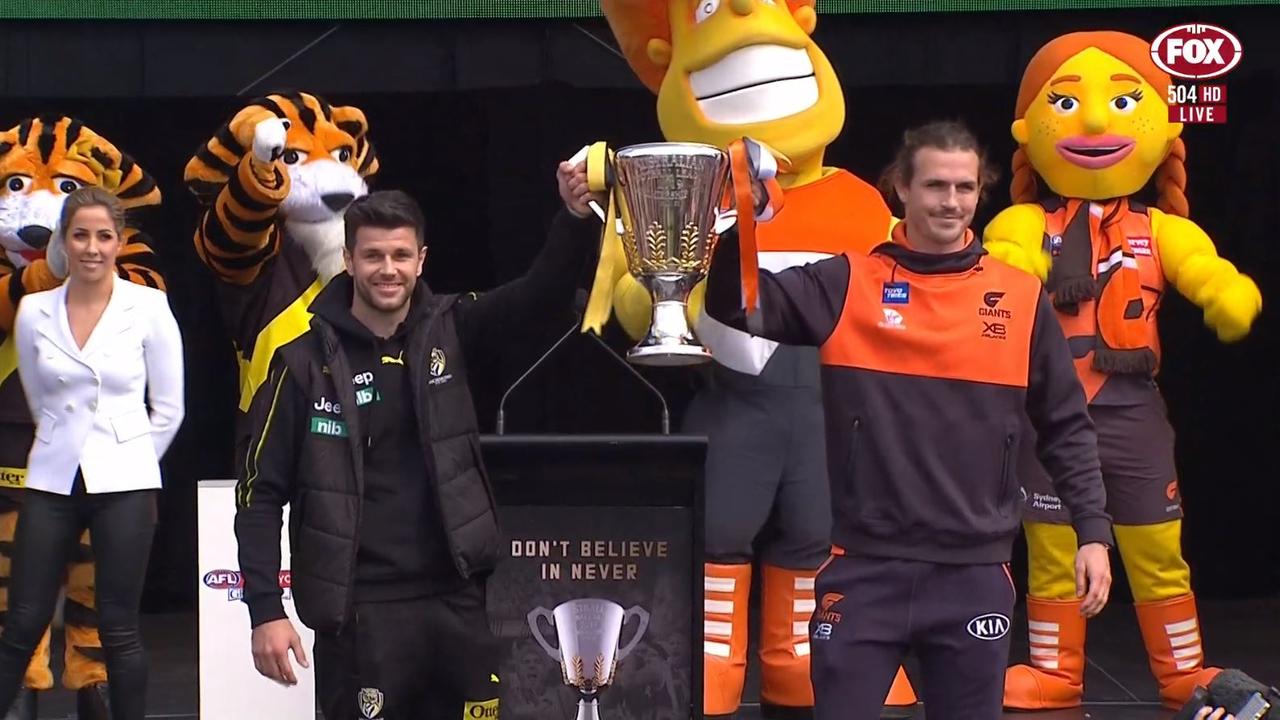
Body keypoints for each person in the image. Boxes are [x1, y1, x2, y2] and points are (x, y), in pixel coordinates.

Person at [704, 121, 1113, 719]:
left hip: (974, 573)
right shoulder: (846, 282)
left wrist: (1094, 532)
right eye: (935, 186)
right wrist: (742, 214)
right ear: (901, 188)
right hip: (865, 571)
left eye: (965, 187)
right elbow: (734, 304)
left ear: (981, 192)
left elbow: (1066, 427)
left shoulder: (1021, 297)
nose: (951, 201)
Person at [233, 163, 603, 718]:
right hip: (360, 615)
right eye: (374, 256)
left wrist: (573, 217)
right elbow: (259, 495)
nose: (388, 269)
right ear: (349, 260)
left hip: (458, 604)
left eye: (401, 256)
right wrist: (265, 609)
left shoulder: (455, 329)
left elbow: (540, 295)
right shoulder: (303, 364)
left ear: (420, 260)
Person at [982, 31, 1262, 711]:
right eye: (1070, 103)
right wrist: (1013, 266)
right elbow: (1002, 257)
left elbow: (1207, 273)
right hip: (1046, 407)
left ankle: (1182, 670)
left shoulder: (1163, 229)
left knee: (1155, 547)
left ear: (1162, 127)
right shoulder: (1026, 219)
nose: (1098, 122)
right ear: (1031, 130)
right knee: (1051, 548)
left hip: (1132, 409)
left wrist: (1228, 296)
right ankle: (1054, 670)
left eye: (1121, 102)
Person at [0, 186, 185, 719]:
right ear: (63, 240)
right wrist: (68, 448)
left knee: (118, 627)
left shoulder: (149, 306)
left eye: (104, 236)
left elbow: (169, 408)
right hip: (52, 482)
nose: (92, 247)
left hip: (125, 486)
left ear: (120, 241)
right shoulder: (34, 310)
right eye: (80, 235)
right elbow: (41, 401)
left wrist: (130, 462)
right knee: (21, 622)